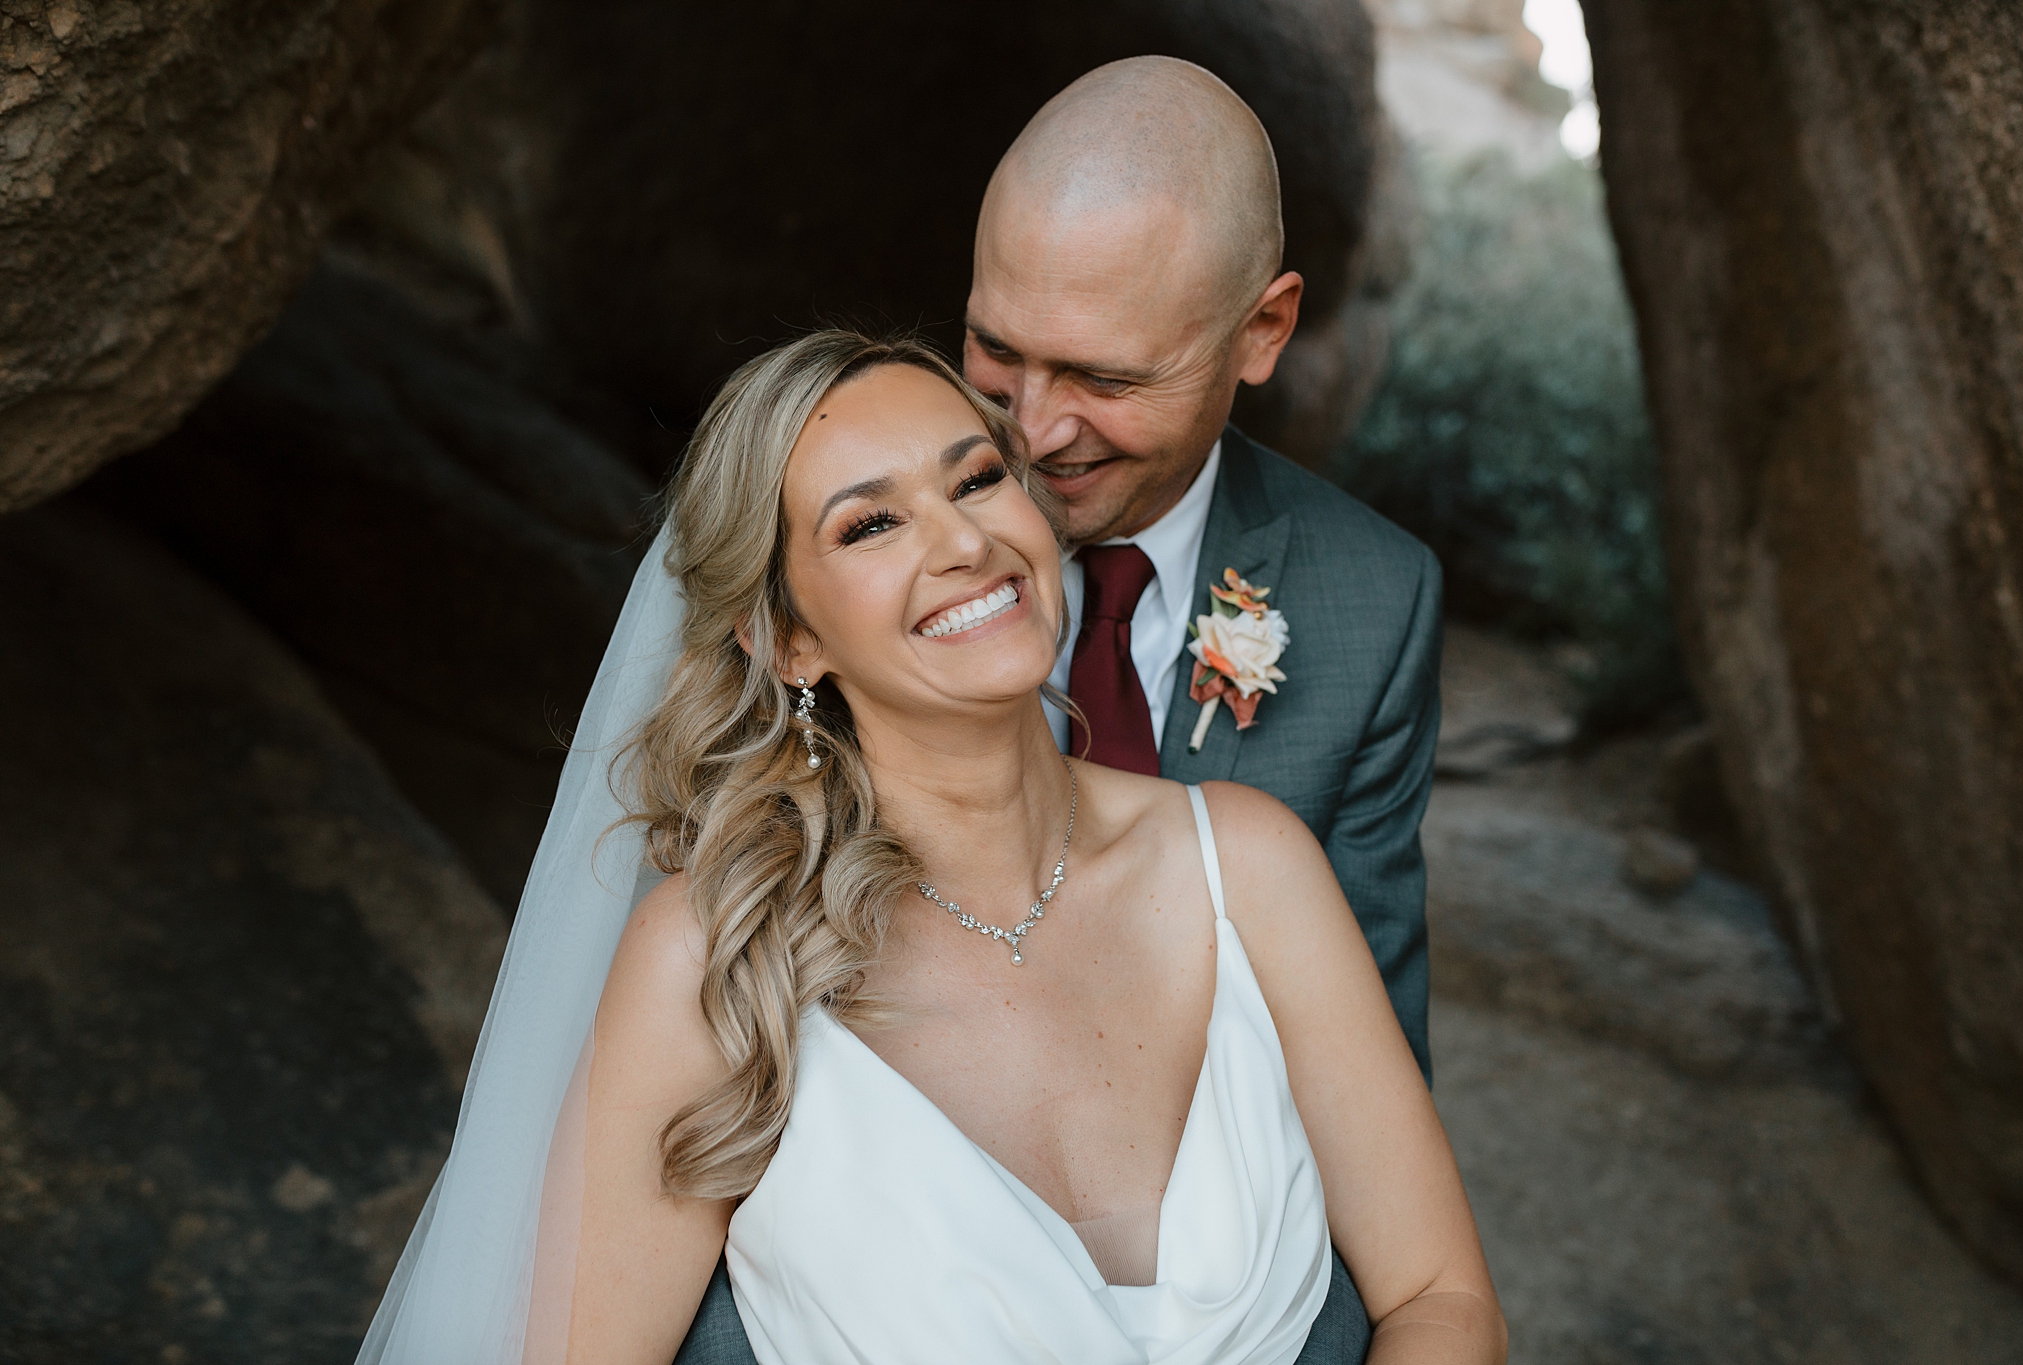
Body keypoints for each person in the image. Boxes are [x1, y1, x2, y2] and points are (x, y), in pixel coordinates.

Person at [356, 331, 1503, 1364]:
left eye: (976, 478)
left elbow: (1441, 1298)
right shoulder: (715, 961)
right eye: (871, 523)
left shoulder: (1248, 866)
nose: (962, 539)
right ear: (789, 640)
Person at [963, 57, 1442, 1085]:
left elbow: (1369, 1083)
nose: (1033, 433)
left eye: (1104, 376)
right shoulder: (852, 548)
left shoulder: (1372, 602)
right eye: (996, 350)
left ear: (1260, 332)